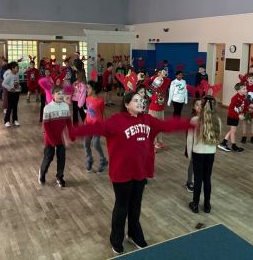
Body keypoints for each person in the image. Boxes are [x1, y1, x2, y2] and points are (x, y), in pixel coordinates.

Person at [68, 88, 192, 255]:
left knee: (135, 205)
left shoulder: (148, 119)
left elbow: (168, 125)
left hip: (140, 171)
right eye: (136, 100)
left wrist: (190, 124)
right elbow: (96, 127)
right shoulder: (117, 120)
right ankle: (116, 239)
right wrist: (73, 132)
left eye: (142, 100)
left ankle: (134, 234)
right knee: (121, 207)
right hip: (121, 173)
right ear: (126, 104)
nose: (140, 102)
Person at [187, 95, 219, 214]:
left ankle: (195, 204)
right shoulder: (217, 121)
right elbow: (216, 139)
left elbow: (190, 140)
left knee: (198, 180)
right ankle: (207, 205)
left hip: (198, 153)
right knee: (207, 179)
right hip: (210, 154)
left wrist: (190, 155)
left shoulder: (194, 120)